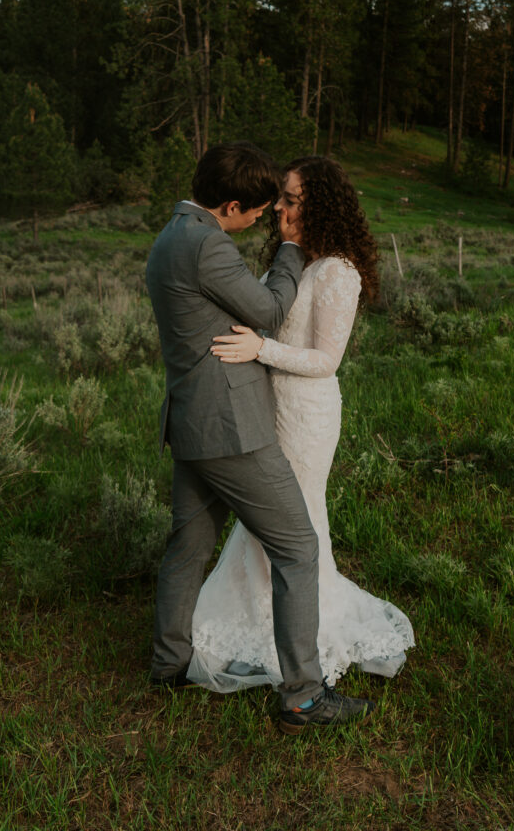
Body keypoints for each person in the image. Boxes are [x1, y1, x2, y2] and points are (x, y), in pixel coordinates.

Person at [145, 142, 374, 734]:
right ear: (230, 204)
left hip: (193, 423)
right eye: (259, 207)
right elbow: (270, 312)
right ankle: (302, 696)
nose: (266, 215)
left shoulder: (169, 236)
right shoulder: (206, 245)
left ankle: (168, 665)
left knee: (188, 546)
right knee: (298, 548)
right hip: (232, 429)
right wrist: (293, 250)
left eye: (284, 204)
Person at [187, 156, 414, 696]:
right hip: (271, 409)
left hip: (307, 415)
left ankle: (301, 636)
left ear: (323, 207)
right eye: (281, 200)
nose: (281, 211)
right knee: (264, 524)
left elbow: (326, 359)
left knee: (298, 523)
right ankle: (264, 626)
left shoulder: (339, 270)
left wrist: (260, 348)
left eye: (292, 201)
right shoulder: (299, 262)